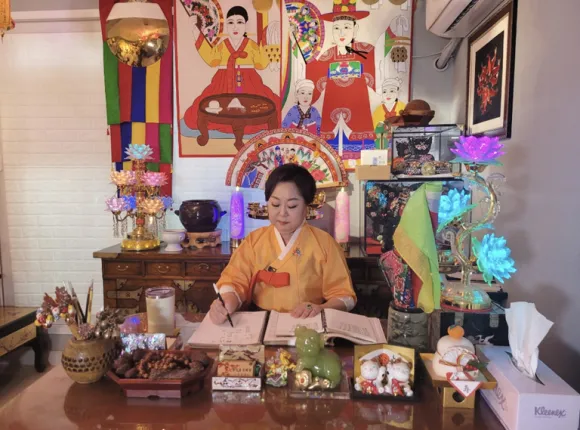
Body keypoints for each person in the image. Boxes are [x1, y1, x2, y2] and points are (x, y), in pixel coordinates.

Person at [209, 164, 356, 324]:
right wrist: (228, 300)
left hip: (307, 322)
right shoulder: (254, 241)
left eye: (292, 206)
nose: (282, 213)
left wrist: (321, 308)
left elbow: (344, 296)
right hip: (260, 322)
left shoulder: (325, 243)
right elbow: (234, 280)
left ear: (307, 206)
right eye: (275, 204)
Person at [183, 6, 281, 137]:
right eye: (230, 22)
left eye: (239, 22)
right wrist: (196, 31)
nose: (235, 27)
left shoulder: (250, 45)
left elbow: (261, 63)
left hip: (249, 82)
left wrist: (269, 43)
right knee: (205, 108)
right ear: (226, 26)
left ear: (245, 25)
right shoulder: (223, 45)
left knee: (262, 107)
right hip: (223, 82)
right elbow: (211, 59)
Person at [305, 1, 376, 144]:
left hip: (358, 110)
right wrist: (307, 57)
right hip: (333, 109)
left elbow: (375, 81)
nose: (341, 33)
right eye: (336, 28)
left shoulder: (366, 51)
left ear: (355, 29)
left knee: (360, 142)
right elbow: (314, 80)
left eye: (347, 27)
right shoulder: (327, 55)